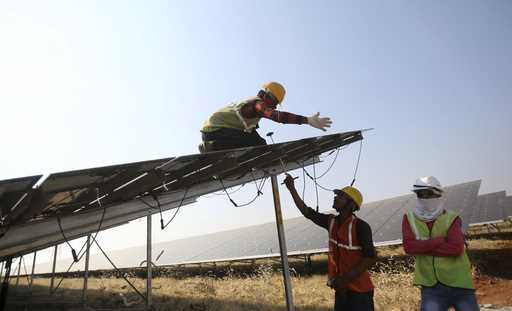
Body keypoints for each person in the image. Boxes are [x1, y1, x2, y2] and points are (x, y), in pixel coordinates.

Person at [283, 174, 376, 311]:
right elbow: (307, 212)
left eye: (340, 196)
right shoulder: (331, 222)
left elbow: (371, 258)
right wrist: (292, 189)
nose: (335, 197)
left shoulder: (361, 226)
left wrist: (344, 279)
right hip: (341, 290)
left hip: (360, 292)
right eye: (337, 195)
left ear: (351, 204)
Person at [402, 176, 479, 311]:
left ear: (438, 194)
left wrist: (421, 247)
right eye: (421, 194)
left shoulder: (451, 217)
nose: (425, 198)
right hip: (431, 286)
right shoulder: (409, 218)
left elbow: (455, 249)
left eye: (429, 193)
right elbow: (409, 247)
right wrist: (438, 241)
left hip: (459, 283)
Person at [199, 81, 332, 152]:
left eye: (275, 105)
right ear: (265, 95)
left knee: (258, 141)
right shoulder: (257, 105)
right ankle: (213, 146)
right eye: (273, 102)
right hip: (214, 132)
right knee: (258, 143)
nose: (273, 107)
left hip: (218, 130)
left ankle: (218, 148)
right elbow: (278, 117)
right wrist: (307, 120)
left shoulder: (254, 105)